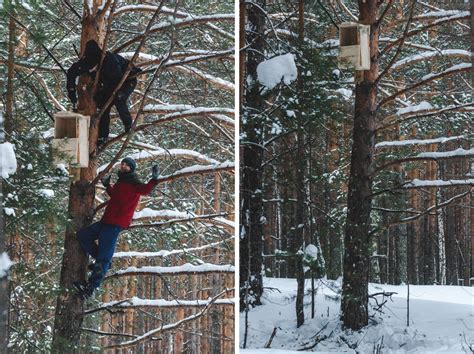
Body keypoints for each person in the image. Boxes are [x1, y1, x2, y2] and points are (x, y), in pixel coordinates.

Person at [74, 157, 160, 299]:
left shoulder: (135, 184)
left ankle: (90, 288)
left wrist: (154, 178)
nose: (123, 166)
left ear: (132, 168)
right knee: (83, 236)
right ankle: (104, 265)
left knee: (104, 257)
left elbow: (146, 190)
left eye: (126, 165)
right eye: (122, 164)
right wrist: (108, 186)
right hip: (106, 221)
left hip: (115, 224)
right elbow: (115, 196)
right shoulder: (121, 182)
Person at [66, 40, 142, 147]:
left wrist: (102, 93)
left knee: (119, 99)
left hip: (126, 80)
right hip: (108, 83)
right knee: (102, 107)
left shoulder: (110, 62)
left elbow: (115, 84)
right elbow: (71, 72)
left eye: (94, 67)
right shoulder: (85, 62)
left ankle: (128, 124)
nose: (91, 70)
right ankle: (103, 137)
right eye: (89, 69)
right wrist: (71, 92)